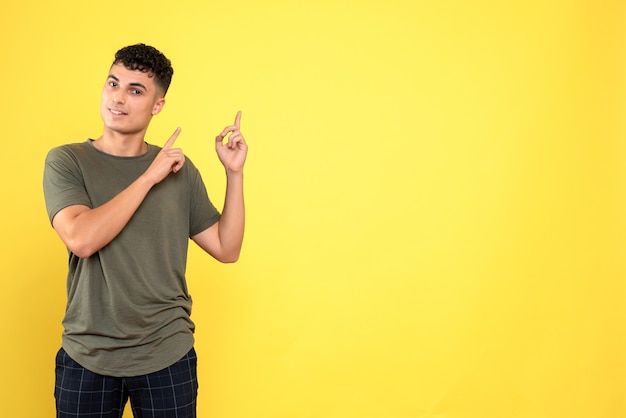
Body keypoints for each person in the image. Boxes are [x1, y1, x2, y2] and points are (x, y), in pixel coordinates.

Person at [43, 43, 247, 418]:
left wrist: (233, 173)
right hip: (88, 354)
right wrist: (148, 177)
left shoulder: (179, 171)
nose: (118, 98)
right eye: (113, 83)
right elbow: (82, 238)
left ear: (157, 105)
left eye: (135, 90)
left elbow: (226, 247)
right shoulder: (67, 160)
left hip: (166, 352)